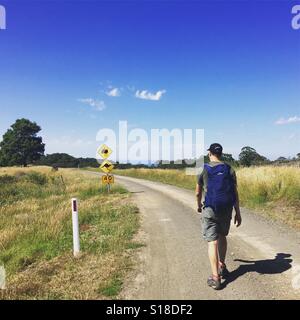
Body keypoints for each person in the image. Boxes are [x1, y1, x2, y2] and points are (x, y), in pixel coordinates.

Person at [195, 143, 242, 290]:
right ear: (221, 154)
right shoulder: (229, 169)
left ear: (210, 153)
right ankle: (222, 265)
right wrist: (238, 212)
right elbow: (234, 193)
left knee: (212, 242)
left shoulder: (203, 168)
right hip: (226, 209)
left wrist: (198, 205)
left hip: (210, 208)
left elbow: (198, 192)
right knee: (222, 236)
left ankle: (216, 278)